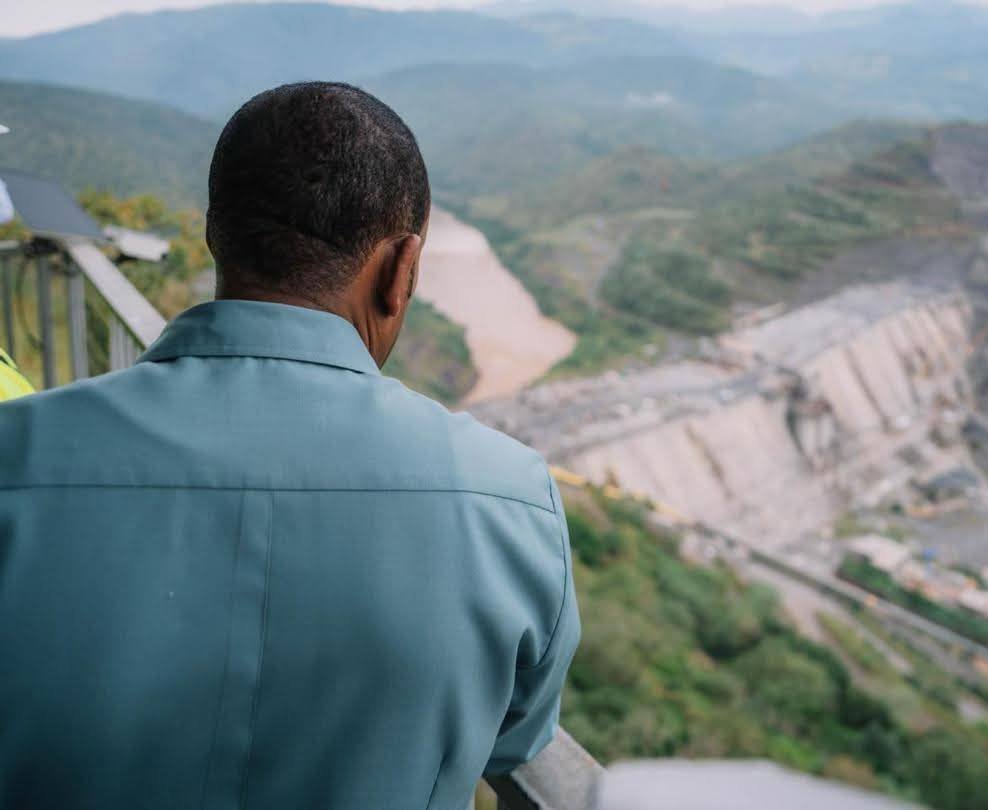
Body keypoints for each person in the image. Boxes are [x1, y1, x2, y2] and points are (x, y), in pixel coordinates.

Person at [0, 82, 579, 810]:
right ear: (402, 270)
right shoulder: (512, 501)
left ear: (216, 234)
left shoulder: (14, 458)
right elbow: (515, 742)